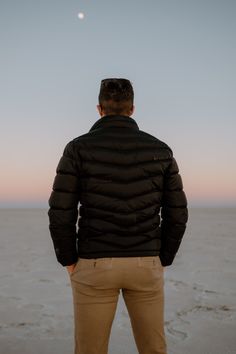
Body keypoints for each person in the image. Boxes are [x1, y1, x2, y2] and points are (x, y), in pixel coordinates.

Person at [48, 78, 188, 354]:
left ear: (100, 109)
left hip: (94, 264)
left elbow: (60, 211)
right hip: (145, 263)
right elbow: (178, 213)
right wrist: (164, 257)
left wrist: (68, 259)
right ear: (132, 109)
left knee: (90, 350)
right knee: (154, 350)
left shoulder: (77, 148)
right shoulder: (160, 150)